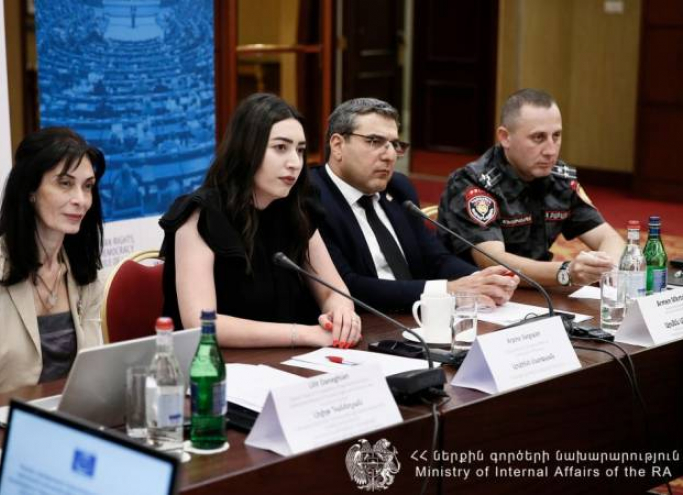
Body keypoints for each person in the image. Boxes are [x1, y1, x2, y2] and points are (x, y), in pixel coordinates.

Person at [160, 93, 360, 349]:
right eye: (280, 148)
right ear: (247, 149)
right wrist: (303, 334)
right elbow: (202, 323)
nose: (295, 163)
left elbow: (332, 292)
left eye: (300, 150)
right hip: (214, 364)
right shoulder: (202, 214)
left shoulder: (297, 208)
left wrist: (342, 314)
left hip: (290, 359)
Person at [310, 98, 518, 312]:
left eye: (394, 144)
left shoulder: (398, 188)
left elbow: (435, 258)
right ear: (338, 145)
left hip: (417, 317)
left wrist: (483, 280)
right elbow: (348, 286)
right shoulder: (311, 198)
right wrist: (447, 291)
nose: (390, 155)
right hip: (362, 321)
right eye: (374, 141)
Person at [0, 127, 105, 405]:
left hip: (70, 421)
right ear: (30, 190)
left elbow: (90, 375)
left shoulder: (85, 275)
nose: (81, 199)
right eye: (65, 183)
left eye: (87, 186)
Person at [439, 89, 625, 287]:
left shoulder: (559, 179)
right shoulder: (473, 183)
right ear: (505, 137)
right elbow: (492, 261)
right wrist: (565, 272)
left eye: (556, 136)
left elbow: (609, 237)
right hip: (476, 293)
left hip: (539, 291)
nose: (551, 150)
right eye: (538, 138)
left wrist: (607, 267)